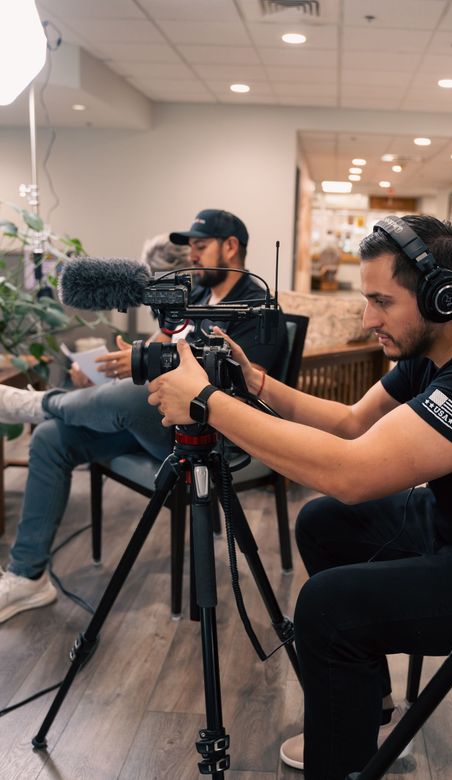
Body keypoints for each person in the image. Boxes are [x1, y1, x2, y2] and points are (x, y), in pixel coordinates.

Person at [146, 214, 452, 780]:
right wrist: (256, 385)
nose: (368, 319)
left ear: (440, 295)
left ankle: (340, 765)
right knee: (325, 522)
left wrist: (206, 402)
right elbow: (351, 423)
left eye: (381, 301)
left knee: (328, 606)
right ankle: (363, 707)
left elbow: (353, 472)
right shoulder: (443, 332)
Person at [0, 209, 287, 623]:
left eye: (201, 247)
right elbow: (162, 347)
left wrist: (148, 370)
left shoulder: (257, 310)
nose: (193, 256)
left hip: (215, 435)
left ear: (231, 247)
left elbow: (242, 392)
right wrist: (124, 360)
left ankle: (37, 403)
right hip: (164, 421)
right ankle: (28, 578)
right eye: (189, 248)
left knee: (135, 397)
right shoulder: (197, 300)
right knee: (51, 438)